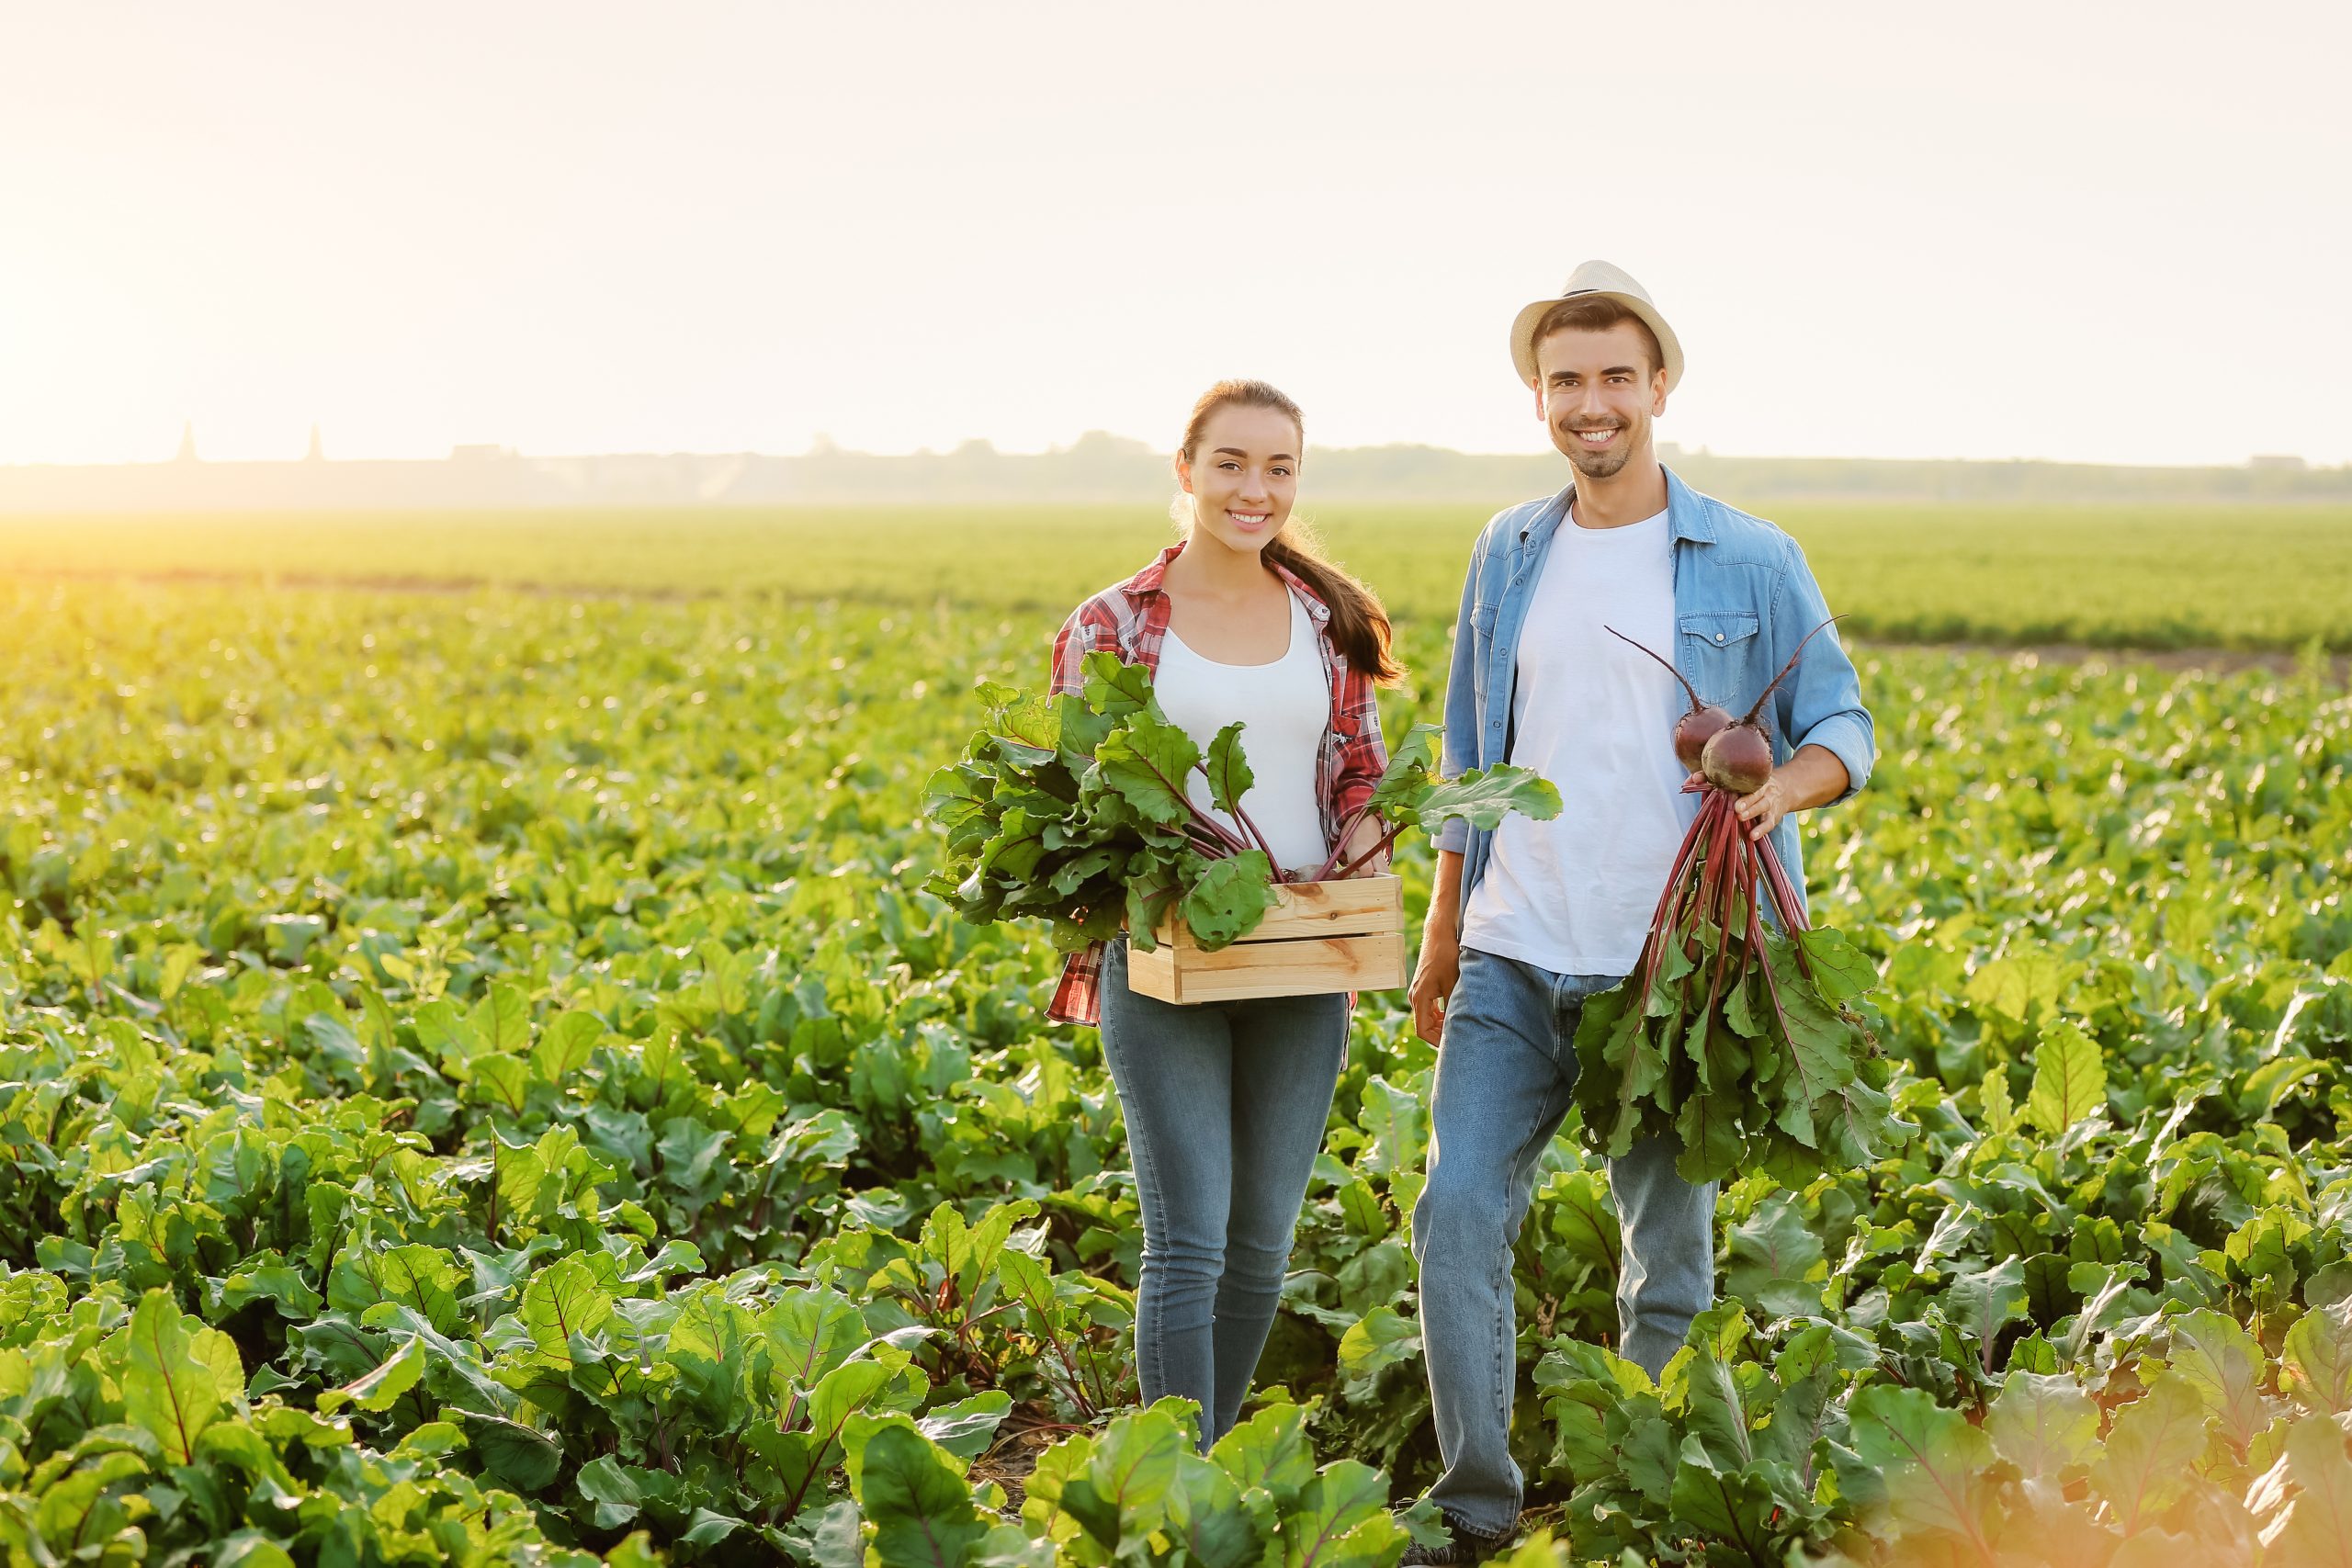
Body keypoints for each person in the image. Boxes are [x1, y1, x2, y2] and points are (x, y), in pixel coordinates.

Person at [1400, 263, 1876, 1562]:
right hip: (1512, 946)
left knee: (1663, 1254)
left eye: (1616, 376)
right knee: (1455, 1213)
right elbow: (1467, 747)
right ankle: (1477, 1505)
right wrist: (1444, 921)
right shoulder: (1508, 548)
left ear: (1659, 384)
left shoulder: (1751, 554)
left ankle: (1651, 1497)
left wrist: (1785, 779)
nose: (1592, 401)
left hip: (1674, 967)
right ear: (1539, 398)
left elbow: (1845, 719)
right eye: (1567, 380)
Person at [1046, 378, 1397, 1450]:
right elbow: (1073, 803)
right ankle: (1175, 1485)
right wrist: (1165, 875)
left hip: (1300, 954)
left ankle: (1210, 1468)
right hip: (1169, 958)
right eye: (1234, 464)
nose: (1257, 489)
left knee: (1260, 1246)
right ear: (1186, 470)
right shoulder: (1111, 624)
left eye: (1280, 468)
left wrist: (1365, 860)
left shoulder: (1323, 618)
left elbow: (1360, 777)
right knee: (1188, 1240)